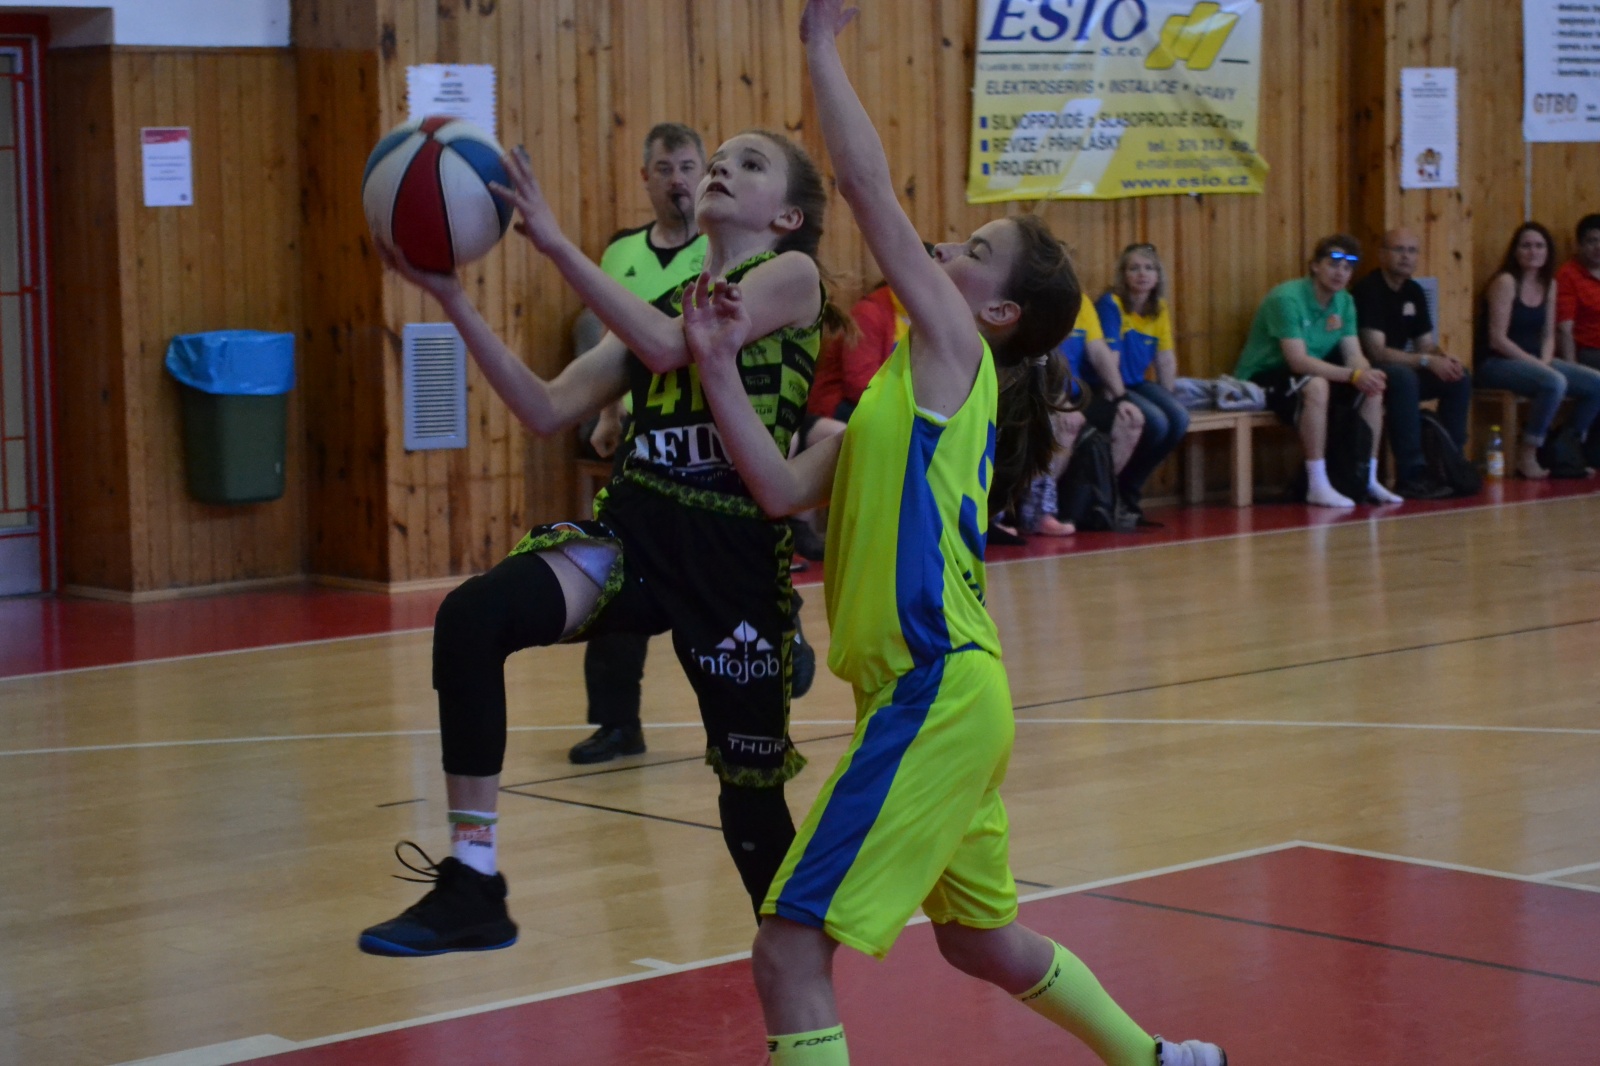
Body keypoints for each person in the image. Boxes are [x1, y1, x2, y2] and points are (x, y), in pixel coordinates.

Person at [679, 4, 1226, 1063]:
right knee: (980, 940)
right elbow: (779, 490)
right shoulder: (900, 395)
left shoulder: (955, 354)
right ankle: (1156, 1059)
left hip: (933, 689)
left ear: (998, 313)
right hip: (947, 694)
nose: (941, 247)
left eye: (972, 251)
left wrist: (819, 46)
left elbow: (865, 189)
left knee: (788, 954)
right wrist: (713, 367)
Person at [357, 128, 834, 957]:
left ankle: (804, 975)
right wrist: (453, 297)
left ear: (788, 216)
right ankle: (472, 881)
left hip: (730, 560)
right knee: (471, 618)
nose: (723, 167)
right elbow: (545, 408)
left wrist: (551, 240)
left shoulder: (793, 276)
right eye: (720, 157)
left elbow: (668, 348)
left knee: (752, 806)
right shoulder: (669, 298)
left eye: (750, 163)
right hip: (637, 533)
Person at [570, 122, 709, 766]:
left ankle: (780, 633)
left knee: (726, 564)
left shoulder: (724, 247)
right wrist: (606, 414)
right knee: (615, 569)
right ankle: (617, 722)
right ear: (646, 177)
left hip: (709, 436)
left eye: (687, 167)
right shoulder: (621, 253)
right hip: (640, 435)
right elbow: (612, 343)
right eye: (665, 168)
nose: (677, 179)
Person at [1233, 234, 1403, 507]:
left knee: (1372, 389)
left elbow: (1353, 354)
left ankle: (1367, 478)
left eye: (1347, 268)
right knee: (1316, 385)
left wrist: (1366, 374)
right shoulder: (1286, 299)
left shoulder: (1344, 302)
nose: (1340, 272)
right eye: (1334, 264)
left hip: (1307, 375)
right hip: (1262, 378)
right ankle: (1317, 484)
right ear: (1315, 266)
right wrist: (1353, 375)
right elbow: (1297, 361)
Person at [1352, 228, 1473, 499]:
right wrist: (1427, 361)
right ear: (1382, 254)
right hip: (1367, 371)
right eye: (1399, 250)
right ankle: (1412, 472)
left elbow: (1426, 345)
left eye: (1412, 251)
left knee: (1459, 376)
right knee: (1404, 378)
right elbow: (1376, 352)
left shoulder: (1414, 291)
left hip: (1402, 368)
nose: (1406, 257)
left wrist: (1443, 358)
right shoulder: (1369, 290)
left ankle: (1450, 461)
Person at [1479, 221, 1600, 477]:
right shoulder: (1505, 282)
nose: (1533, 251)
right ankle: (1528, 453)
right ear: (1515, 251)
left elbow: (1548, 333)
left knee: (1596, 383)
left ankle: (1567, 445)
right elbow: (1497, 339)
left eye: (1539, 246)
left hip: (1535, 360)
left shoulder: (1549, 284)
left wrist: (1545, 359)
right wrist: (1537, 365)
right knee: (1554, 382)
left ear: (1547, 251)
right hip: (1497, 362)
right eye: (1526, 246)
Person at [1091, 243, 1191, 511]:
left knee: (1179, 418)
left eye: (1149, 268)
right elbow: (1109, 359)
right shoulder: (1111, 304)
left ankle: (1130, 485)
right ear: (1123, 275)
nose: (1142, 274)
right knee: (1156, 422)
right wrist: (1117, 398)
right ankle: (1122, 490)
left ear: (1158, 276)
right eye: (1134, 268)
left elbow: (1165, 357)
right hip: (1110, 383)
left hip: (1136, 381)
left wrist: (1169, 395)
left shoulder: (1158, 307)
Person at [1556, 213, 1600, 372]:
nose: (1598, 247)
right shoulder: (1568, 275)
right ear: (1579, 244)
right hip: (1589, 351)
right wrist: (1573, 372)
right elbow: (1564, 329)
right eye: (1592, 241)